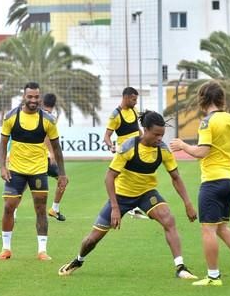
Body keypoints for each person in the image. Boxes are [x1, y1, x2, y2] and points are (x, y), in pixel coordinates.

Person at [58, 111, 198, 279]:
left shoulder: (163, 150)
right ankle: (78, 260)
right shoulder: (129, 147)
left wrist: (188, 203)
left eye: (162, 135)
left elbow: (176, 177)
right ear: (145, 130)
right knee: (92, 240)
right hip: (121, 196)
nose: (160, 138)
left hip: (146, 194)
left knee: (168, 218)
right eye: (156, 135)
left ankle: (180, 267)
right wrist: (115, 208)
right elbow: (109, 177)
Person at [171, 81, 230, 287]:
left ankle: (213, 276)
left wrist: (183, 145)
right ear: (221, 99)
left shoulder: (207, 122)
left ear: (203, 99)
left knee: (208, 230)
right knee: (222, 228)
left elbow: (202, 152)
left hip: (212, 181)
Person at [0, 82, 68, 261]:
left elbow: (57, 148)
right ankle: (6, 249)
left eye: (36, 97)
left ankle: (42, 250)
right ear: (24, 96)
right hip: (16, 169)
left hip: (38, 170)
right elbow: (3, 143)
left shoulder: (48, 120)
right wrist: (2, 167)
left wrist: (62, 173)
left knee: (41, 209)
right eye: (30, 97)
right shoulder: (11, 117)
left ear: (40, 97)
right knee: (8, 206)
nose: (33, 100)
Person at [103, 87, 147, 219]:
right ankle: (129, 207)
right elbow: (106, 136)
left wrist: (144, 139)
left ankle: (134, 206)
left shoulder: (134, 110)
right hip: (125, 152)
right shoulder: (115, 115)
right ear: (126, 98)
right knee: (120, 177)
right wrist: (111, 146)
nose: (135, 102)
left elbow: (137, 129)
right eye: (134, 99)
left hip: (137, 149)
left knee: (137, 176)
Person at [42, 93, 67, 221]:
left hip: (36, 156)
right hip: (45, 157)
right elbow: (47, 136)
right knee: (63, 180)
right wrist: (51, 153)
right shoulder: (51, 117)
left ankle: (13, 212)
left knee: (23, 184)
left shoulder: (37, 114)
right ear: (54, 104)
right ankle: (54, 209)